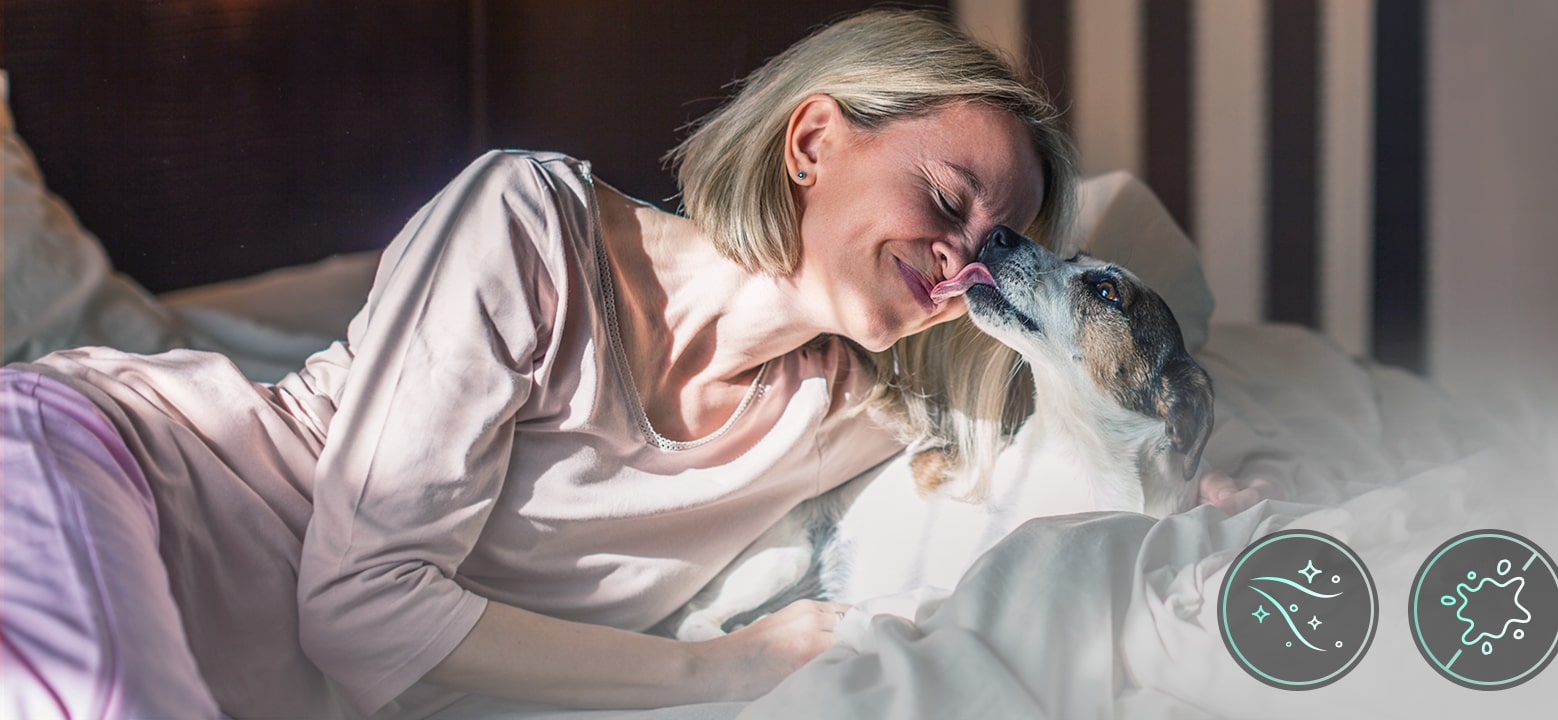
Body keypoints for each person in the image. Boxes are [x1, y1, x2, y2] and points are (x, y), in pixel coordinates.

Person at [0, 8, 1257, 720]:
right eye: (943, 196)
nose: (964, 262)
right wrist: (732, 665)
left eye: (997, 249)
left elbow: (1061, 453)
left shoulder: (848, 414)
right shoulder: (527, 226)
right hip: (110, 471)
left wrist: (1180, 500)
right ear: (812, 138)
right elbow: (363, 604)